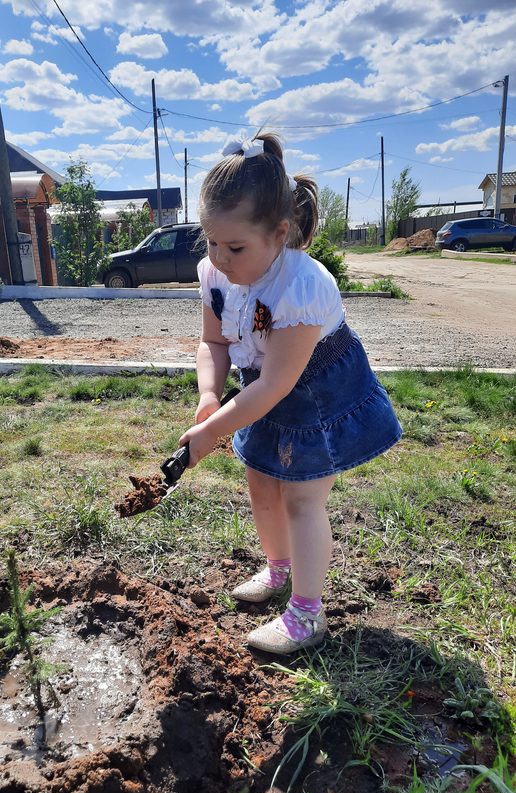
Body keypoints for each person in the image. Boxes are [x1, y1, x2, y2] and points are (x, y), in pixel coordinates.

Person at [178, 131, 402, 656]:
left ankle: (306, 613)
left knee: (302, 497)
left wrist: (212, 432)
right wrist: (210, 396)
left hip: (316, 391)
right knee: (261, 484)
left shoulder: (303, 285)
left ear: (280, 234)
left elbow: (281, 383)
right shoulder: (214, 272)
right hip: (259, 391)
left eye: (235, 246)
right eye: (210, 240)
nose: (219, 256)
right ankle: (277, 569)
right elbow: (213, 341)